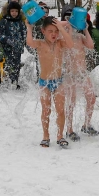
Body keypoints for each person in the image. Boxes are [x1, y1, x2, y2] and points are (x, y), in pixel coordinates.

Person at [25, 17, 73, 147]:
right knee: (46, 110)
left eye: (56, 31)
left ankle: (60, 135)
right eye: (50, 31)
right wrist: (29, 28)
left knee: (60, 110)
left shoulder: (60, 43)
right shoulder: (40, 44)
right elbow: (29, 42)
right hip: (44, 83)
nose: (54, 34)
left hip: (59, 82)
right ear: (43, 31)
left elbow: (70, 44)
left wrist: (62, 28)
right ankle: (46, 136)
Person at [61, 13, 98, 141]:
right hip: (70, 74)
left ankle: (87, 124)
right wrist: (68, 26)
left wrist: (86, 29)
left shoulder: (80, 36)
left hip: (82, 73)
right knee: (71, 102)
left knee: (91, 97)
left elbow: (91, 45)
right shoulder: (63, 37)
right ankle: (69, 129)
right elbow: (68, 42)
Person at [0, 1, 26, 89]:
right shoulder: (4, 21)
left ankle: (14, 80)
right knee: (7, 65)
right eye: (12, 11)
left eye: (16, 11)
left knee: (16, 65)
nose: (14, 13)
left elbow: (24, 34)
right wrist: (6, 40)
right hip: (6, 49)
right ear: (9, 11)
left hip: (17, 49)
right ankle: (6, 81)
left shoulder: (21, 22)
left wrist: (21, 44)